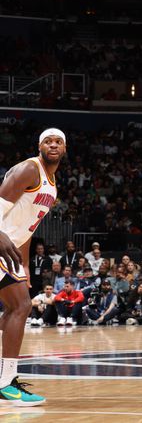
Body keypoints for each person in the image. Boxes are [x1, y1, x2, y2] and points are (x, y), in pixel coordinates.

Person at [0, 128, 66, 405]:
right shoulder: (29, 169)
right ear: (39, 146)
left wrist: (25, 265)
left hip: (11, 249)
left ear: (65, 149)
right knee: (21, 307)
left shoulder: (51, 183)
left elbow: (28, 227)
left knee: (16, 308)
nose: (53, 145)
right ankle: (6, 382)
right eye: (48, 141)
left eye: (58, 142)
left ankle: (5, 379)